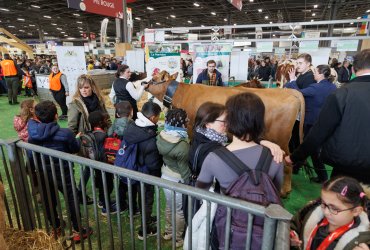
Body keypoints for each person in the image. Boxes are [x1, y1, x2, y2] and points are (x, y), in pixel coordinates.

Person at [196, 93, 284, 249]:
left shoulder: (213, 158)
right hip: (264, 232)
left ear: (229, 121)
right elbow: (275, 191)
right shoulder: (275, 156)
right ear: (260, 120)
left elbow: (200, 192)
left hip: (228, 230)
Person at [285, 49, 370, 185]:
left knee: (342, 200)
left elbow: (318, 134)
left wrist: (294, 157)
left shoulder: (342, 94)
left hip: (346, 166)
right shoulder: (334, 88)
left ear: (353, 69)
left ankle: (311, 171)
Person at [28, 100, 92, 242]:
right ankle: (78, 230)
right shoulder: (66, 133)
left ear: (37, 117)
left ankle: (56, 227)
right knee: (71, 198)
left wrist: (33, 170)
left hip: (43, 172)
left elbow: (31, 155)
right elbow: (74, 148)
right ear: (56, 116)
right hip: (62, 172)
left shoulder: (32, 136)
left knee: (48, 200)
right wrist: (77, 139)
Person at [285, 65, 337, 183]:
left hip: (312, 122)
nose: (313, 74)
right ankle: (299, 167)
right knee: (314, 149)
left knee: (311, 148)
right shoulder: (333, 87)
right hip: (327, 122)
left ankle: (322, 176)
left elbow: (298, 93)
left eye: (315, 72)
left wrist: (292, 79)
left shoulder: (315, 88)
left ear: (320, 74)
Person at [290, 176, 370, 249]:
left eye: (334, 208)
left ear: (356, 211)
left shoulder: (363, 241)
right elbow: (292, 226)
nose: (326, 212)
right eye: (323, 203)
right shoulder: (309, 210)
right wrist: (291, 237)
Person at [122, 101, 163, 240]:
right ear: (152, 118)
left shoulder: (132, 126)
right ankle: (144, 230)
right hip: (145, 173)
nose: (158, 119)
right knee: (147, 199)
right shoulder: (150, 138)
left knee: (141, 197)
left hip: (132, 169)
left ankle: (146, 218)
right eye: (158, 116)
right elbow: (153, 164)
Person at [68, 74, 111, 204]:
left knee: (101, 164)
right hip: (87, 141)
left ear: (92, 86)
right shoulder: (75, 104)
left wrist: (109, 131)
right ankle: (81, 193)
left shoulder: (99, 100)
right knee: (87, 167)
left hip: (101, 137)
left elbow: (107, 118)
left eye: (86, 87)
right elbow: (71, 126)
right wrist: (76, 141)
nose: (84, 90)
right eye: (81, 88)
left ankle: (101, 193)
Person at [157, 108, 191, 247]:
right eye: (186, 120)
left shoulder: (161, 135)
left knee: (169, 206)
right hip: (178, 179)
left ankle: (168, 232)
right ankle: (177, 238)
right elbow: (184, 169)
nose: (188, 122)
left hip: (165, 174)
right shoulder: (182, 144)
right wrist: (189, 181)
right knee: (179, 210)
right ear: (182, 123)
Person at [287, 53, 316, 173]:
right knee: (294, 137)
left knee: (298, 139)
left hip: (304, 113)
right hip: (297, 112)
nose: (297, 65)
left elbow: (299, 93)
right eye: (297, 63)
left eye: (300, 63)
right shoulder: (301, 75)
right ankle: (295, 162)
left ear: (308, 64)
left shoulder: (309, 77)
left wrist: (292, 80)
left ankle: (297, 164)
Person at [87, 111, 118, 216]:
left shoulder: (90, 133)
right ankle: (106, 208)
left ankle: (102, 201)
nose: (106, 121)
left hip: (95, 163)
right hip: (104, 164)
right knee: (107, 185)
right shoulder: (103, 135)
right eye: (105, 120)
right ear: (100, 123)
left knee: (101, 184)